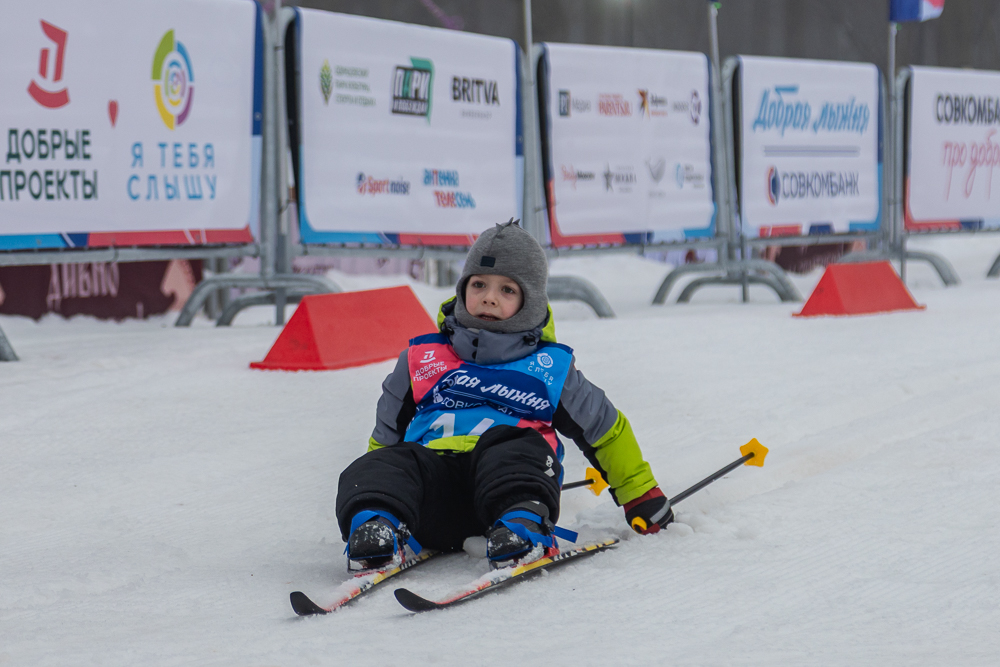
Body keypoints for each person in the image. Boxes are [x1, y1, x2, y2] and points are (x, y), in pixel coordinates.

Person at [335, 219, 672, 571]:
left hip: (510, 494)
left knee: (515, 443)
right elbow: (386, 440)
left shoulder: (549, 368)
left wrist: (640, 494)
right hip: (432, 498)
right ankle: (377, 528)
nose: (489, 297)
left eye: (507, 290)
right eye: (478, 284)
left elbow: (605, 430)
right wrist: (383, 483)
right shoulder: (422, 360)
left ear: (529, 302)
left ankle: (522, 530)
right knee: (385, 463)